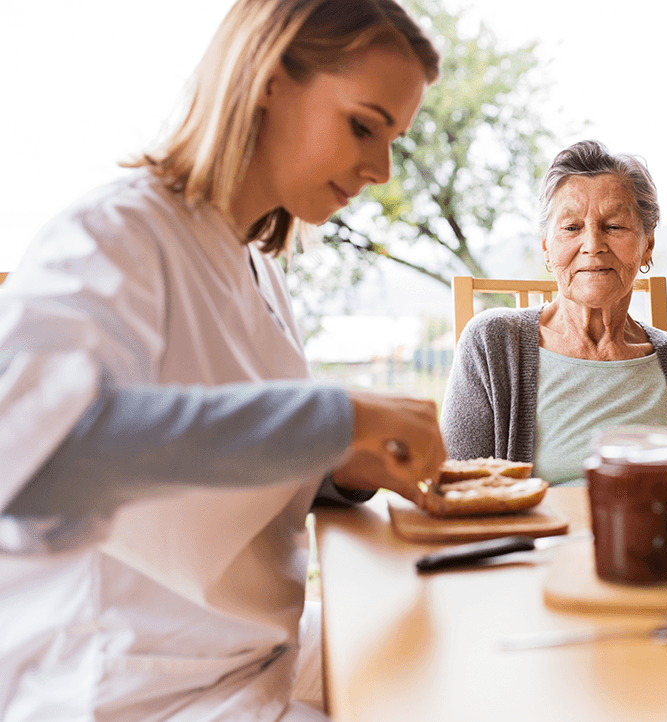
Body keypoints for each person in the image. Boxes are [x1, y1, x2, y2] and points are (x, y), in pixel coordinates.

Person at [0, 1, 445, 720]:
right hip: (136, 688)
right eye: (363, 126)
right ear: (269, 78)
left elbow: (226, 450)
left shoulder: (256, 266)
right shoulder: (114, 238)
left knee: (458, 654)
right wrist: (334, 418)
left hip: (250, 654)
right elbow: (32, 462)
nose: (380, 169)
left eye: (391, 138)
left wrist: (339, 465)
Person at [441, 140, 667, 484]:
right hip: (541, 539)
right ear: (546, 248)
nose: (593, 244)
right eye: (571, 228)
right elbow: (458, 489)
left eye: (613, 226)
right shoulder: (491, 344)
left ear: (648, 245)